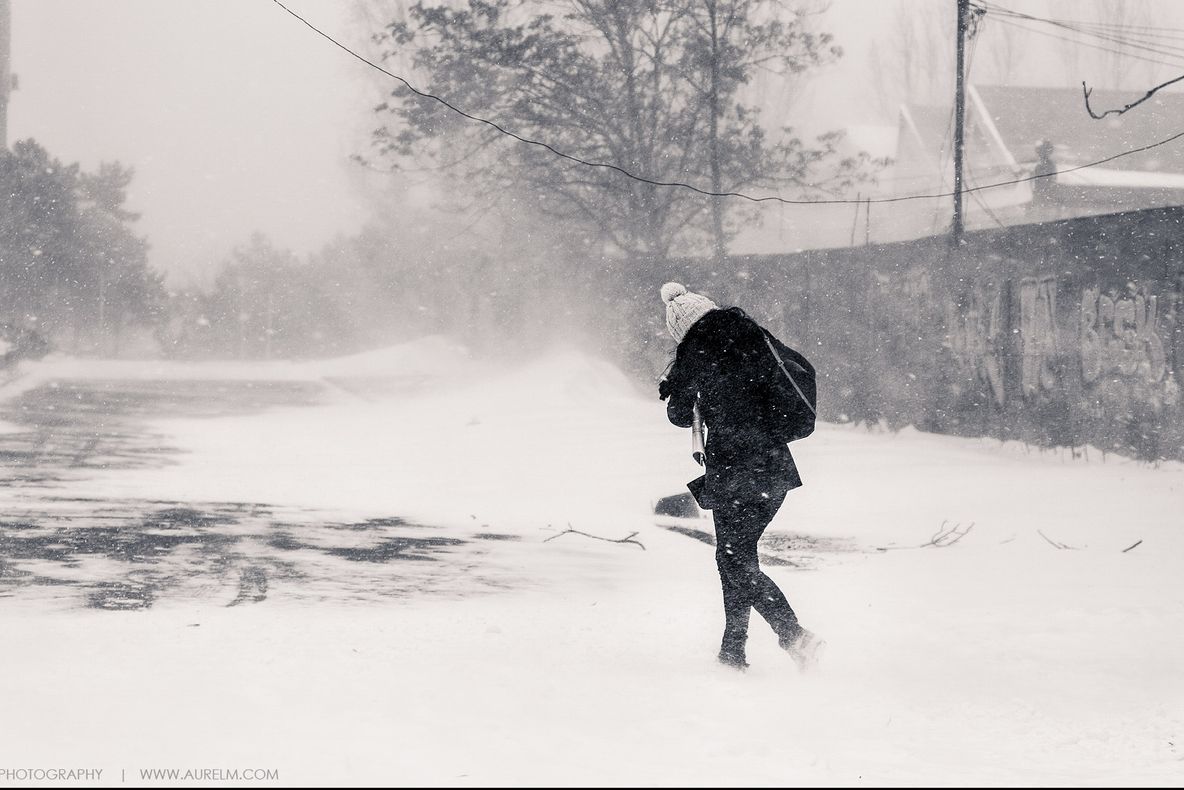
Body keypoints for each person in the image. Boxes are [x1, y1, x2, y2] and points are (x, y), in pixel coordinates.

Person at [658, 282, 823, 671]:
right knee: (736, 557)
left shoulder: (697, 354)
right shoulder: (752, 337)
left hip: (735, 469)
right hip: (774, 468)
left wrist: (678, 383)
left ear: (682, 330)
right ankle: (733, 652)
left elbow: (679, 415)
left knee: (734, 561)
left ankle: (794, 636)